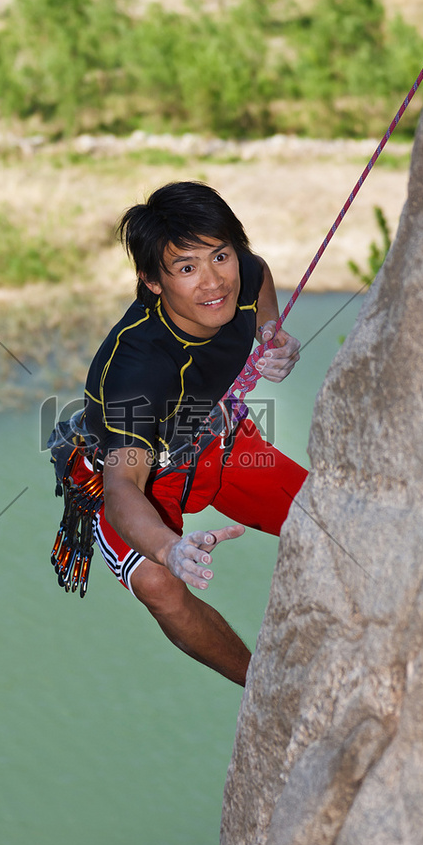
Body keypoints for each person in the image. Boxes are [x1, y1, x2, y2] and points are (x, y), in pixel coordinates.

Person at [79, 181, 308, 687]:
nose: (213, 283)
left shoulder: (240, 273)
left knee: (325, 515)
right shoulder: (137, 368)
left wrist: (271, 331)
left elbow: (258, 273)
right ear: (153, 282)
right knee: (159, 583)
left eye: (219, 256)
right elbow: (122, 488)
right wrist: (169, 548)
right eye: (186, 268)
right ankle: (266, 689)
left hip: (219, 443)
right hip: (146, 476)